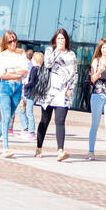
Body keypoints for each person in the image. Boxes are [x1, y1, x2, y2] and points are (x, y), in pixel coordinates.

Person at [35, 28, 77, 161]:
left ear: (66, 40)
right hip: (49, 92)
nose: (61, 41)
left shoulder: (72, 55)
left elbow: (75, 74)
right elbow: (47, 64)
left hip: (63, 92)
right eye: (58, 38)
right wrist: (56, 51)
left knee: (60, 121)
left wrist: (71, 88)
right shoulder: (49, 51)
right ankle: (39, 147)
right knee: (45, 121)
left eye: (63, 38)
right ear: (55, 40)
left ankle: (60, 150)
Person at [0, 32, 28, 158]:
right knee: (6, 116)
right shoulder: (2, 55)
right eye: (10, 41)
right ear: (6, 43)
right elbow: (2, 74)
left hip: (17, 88)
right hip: (5, 87)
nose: (13, 43)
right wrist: (16, 73)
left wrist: (12, 72)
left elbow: (25, 70)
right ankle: (5, 147)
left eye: (15, 40)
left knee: (8, 117)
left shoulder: (21, 53)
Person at [18, 49, 38, 139]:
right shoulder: (32, 66)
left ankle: (30, 131)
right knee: (22, 109)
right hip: (27, 90)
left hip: (28, 91)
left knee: (26, 110)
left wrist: (24, 85)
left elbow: (31, 80)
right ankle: (26, 129)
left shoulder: (33, 67)